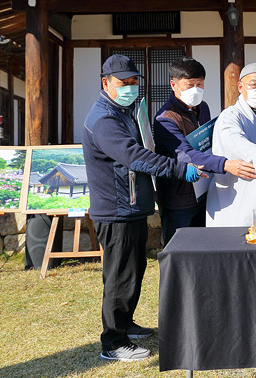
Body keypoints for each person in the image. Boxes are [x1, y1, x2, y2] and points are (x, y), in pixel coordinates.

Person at [83, 54, 205, 362]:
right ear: (105, 83)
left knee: (134, 270)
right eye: (123, 83)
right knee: (119, 276)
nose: (130, 87)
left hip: (133, 206)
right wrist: (180, 169)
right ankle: (113, 342)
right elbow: (135, 156)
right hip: (115, 210)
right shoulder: (104, 119)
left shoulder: (125, 111)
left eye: (134, 82)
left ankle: (125, 324)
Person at [154, 57, 255, 246]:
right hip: (179, 200)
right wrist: (225, 164)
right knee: (179, 250)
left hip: (203, 192)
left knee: (202, 250)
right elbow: (186, 155)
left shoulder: (203, 107)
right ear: (173, 84)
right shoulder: (165, 118)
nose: (195, 90)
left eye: (199, 84)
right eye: (189, 85)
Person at [206, 63, 256, 227]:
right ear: (241, 87)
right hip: (234, 194)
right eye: (254, 84)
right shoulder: (230, 116)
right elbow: (235, 140)